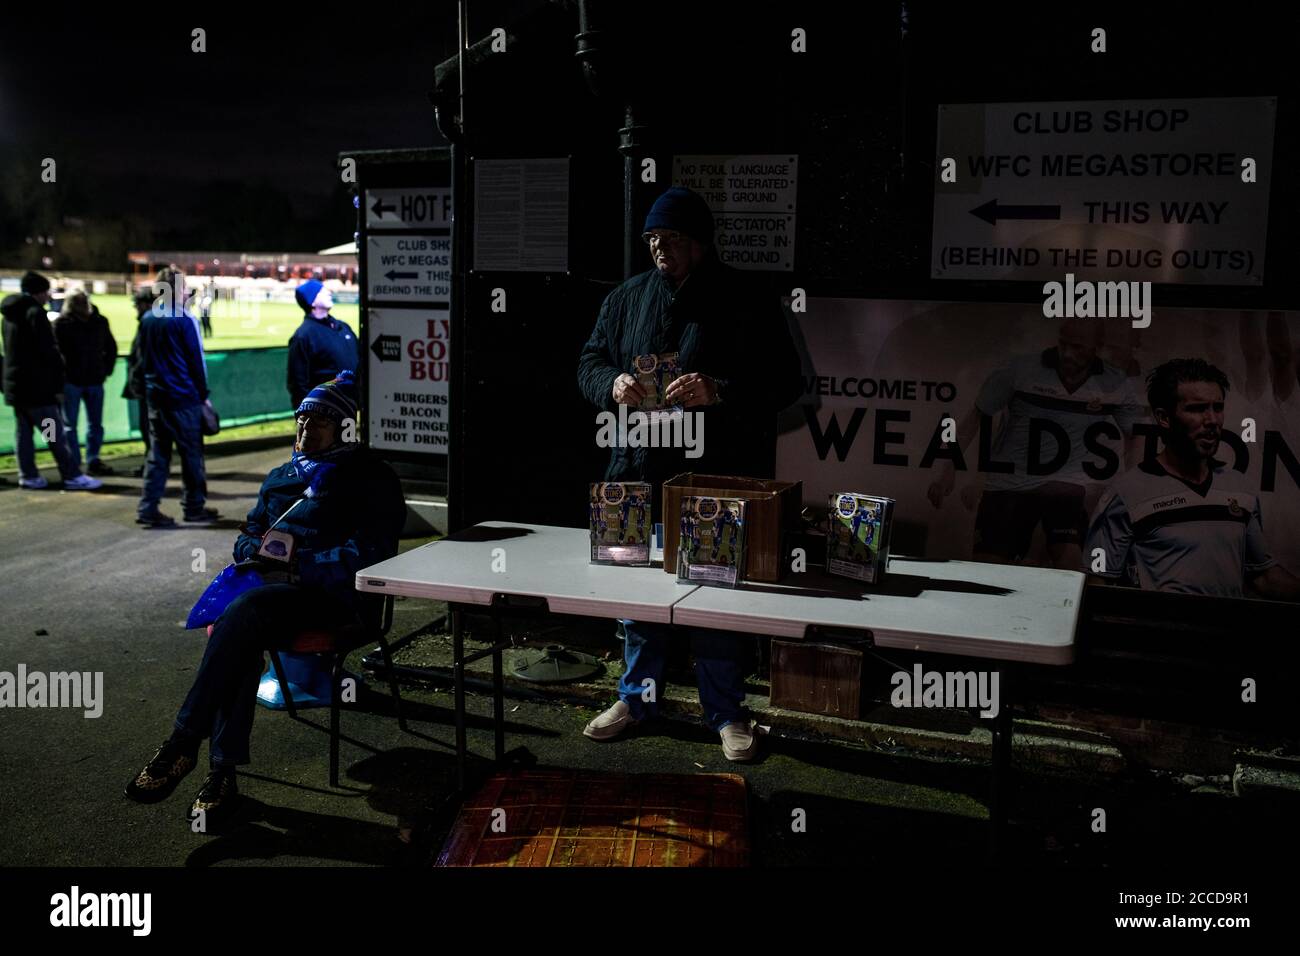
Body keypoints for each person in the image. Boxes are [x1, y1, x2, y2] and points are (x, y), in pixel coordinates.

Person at [576, 186, 802, 761]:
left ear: (701, 243)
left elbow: (786, 382)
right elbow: (590, 362)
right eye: (653, 239)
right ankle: (636, 698)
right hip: (636, 472)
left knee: (714, 600)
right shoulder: (626, 299)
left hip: (714, 478)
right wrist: (612, 385)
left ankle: (726, 713)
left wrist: (719, 389)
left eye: (672, 240)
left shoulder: (747, 299)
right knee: (636, 600)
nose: (660, 249)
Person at [124, 371, 407, 826]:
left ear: (344, 427)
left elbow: (370, 555)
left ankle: (184, 744)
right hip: (268, 595)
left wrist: (299, 566)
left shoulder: (370, 477)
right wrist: (253, 552)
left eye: (317, 424)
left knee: (243, 618)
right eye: (300, 421)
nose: (304, 432)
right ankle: (220, 773)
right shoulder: (283, 474)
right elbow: (250, 531)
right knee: (241, 626)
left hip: (334, 599)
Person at [927, 317, 1146, 569]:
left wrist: (1131, 484)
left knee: (1071, 569)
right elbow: (972, 420)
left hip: (1066, 491)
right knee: (988, 569)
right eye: (1063, 344)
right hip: (1011, 488)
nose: (1067, 354)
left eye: (1078, 348)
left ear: (1096, 346)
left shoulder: (1114, 384)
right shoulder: (1019, 370)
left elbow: (1136, 434)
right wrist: (947, 471)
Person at [1085, 358, 1300, 600]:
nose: (1212, 421)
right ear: (1164, 418)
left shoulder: (1241, 491)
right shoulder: (1125, 494)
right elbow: (1099, 586)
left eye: (1217, 408)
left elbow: (1264, 577)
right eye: (1197, 409)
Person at [1, 271, 102, 490]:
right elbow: (49, 353)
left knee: (24, 433)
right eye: (47, 291)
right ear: (40, 291)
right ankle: (71, 475)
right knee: (54, 433)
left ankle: (28, 475)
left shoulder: (9, 315)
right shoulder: (35, 314)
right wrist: (57, 385)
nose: (49, 296)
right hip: (38, 390)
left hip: (17, 388)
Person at [136, 267, 217, 527]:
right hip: (183, 399)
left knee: (157, 456)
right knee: (192, 455)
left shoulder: (148, 318)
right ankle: (193, 507)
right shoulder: (184, 319)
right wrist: (204, 396)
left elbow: (142, 361)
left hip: (156, 399)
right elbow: (196, 363)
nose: (188, 292)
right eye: (184, 288)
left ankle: (148, 507)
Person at [53, 291, 119, 476]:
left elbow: (111, 347)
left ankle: (92, 459)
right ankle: (75, 461)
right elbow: (55, 355)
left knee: (94, 424)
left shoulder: (99, 322)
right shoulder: (61, 325)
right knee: (70, 426)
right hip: (72, 382)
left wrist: (106, 370)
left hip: (93, 381)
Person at [287, 280, 359, 409]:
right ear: (312, 301)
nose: (328, 292)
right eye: (321, 291)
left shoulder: (343, 327)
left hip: (349, 409)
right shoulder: (303, 336)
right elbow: (298, 383)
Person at [122, 288, 155, 477]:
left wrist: (136, 382)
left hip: (149, 388)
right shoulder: (150, 322)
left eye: (138, 304)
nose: (136, 308)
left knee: (150, 431)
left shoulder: (149, 323)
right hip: (149, 387)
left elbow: (142, 358)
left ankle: (152, 469)